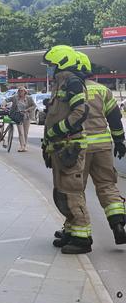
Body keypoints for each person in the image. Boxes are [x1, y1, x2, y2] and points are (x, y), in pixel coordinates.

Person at [54, 52, 126, 246]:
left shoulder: (70, 89)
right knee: (107, 186)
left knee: (74, 190)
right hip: (103, 146)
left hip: (79, 148)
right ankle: (118, 223)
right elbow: (115, 119)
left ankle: (75, 231)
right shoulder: (103, 90)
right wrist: (120, 141)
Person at [41, 45, 91, 254]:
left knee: (72, 192)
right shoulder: (59, 83)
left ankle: (82, 239)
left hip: (70, 146)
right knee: (61, 193)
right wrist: (47, 142)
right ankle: (71, 230)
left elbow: (81, 111)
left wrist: (57, 131)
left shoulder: (72, 83)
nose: (49, 69)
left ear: (60, 64)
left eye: (51, 65)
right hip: (59, 148)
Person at [9, 86, 36, 152]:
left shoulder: (29, 98)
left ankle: (24, 146)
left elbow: (34, 106)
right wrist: (3, 105)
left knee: (25, 132)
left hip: (27, 116)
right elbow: (7, 100)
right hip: (18, 116)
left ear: (25, 92)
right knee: (21, 132)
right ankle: (21, 146)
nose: (20, 92)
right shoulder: (15, 97)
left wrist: (27, 110)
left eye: (22, 91)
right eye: (19, 91)